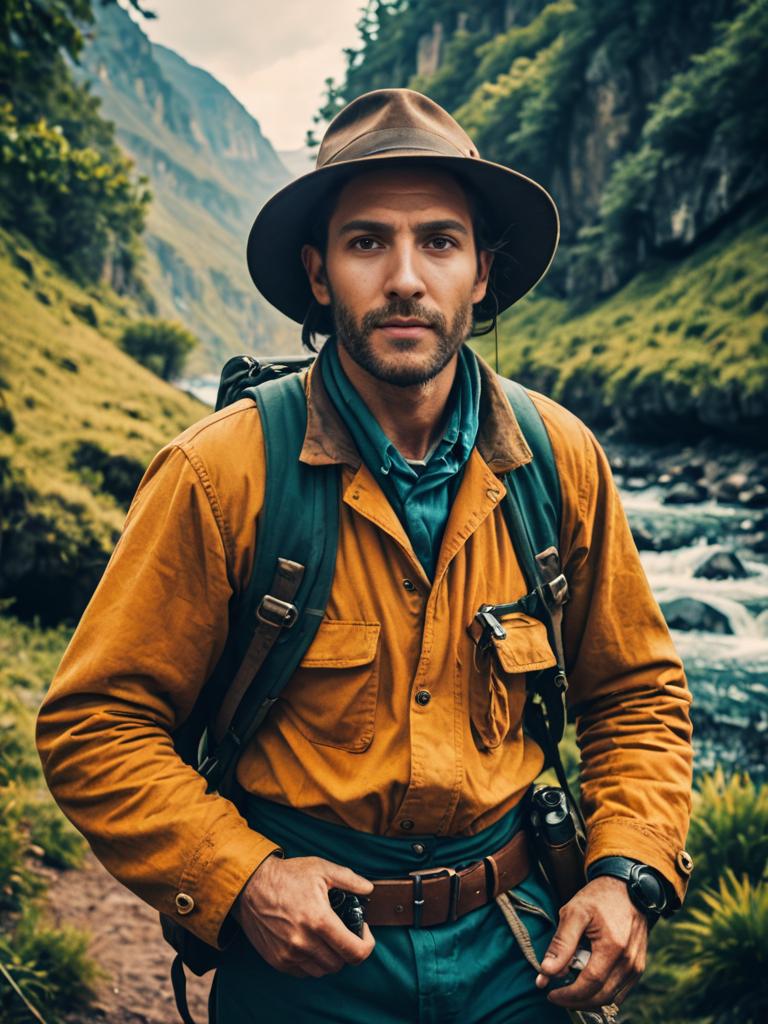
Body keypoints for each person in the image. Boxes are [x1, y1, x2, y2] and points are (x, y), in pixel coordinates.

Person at [37, 89, 694, 1023]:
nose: (404, 279)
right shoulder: (219, 474)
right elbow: (95, 724)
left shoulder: (561, 462)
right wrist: (243, 880)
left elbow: (636, 694)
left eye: (438, 241)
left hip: (521, 954)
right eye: (364, 243)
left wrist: (627, 874)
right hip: (304, 964)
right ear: (317, 273)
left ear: (480, 272)